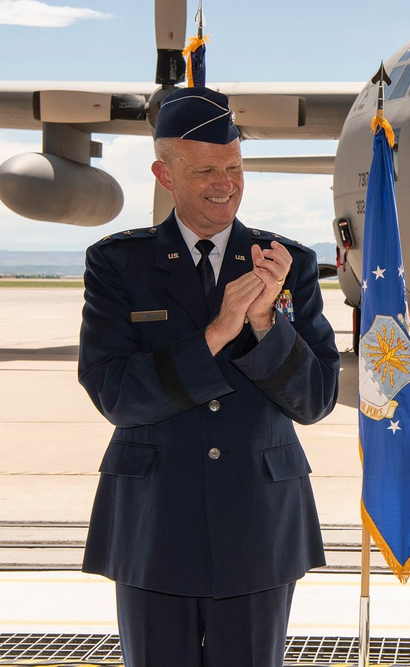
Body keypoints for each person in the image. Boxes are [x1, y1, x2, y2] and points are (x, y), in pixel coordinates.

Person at [77, 86, 341, 667]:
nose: (225, 183)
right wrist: (218, 332)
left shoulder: (284, 264)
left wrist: (269, 323)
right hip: (155, 522)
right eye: (205, 171)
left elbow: (317, 398)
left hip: (258, 522)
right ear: (164, 174)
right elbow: (116, 392)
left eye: (234, 167)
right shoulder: (120, 264)